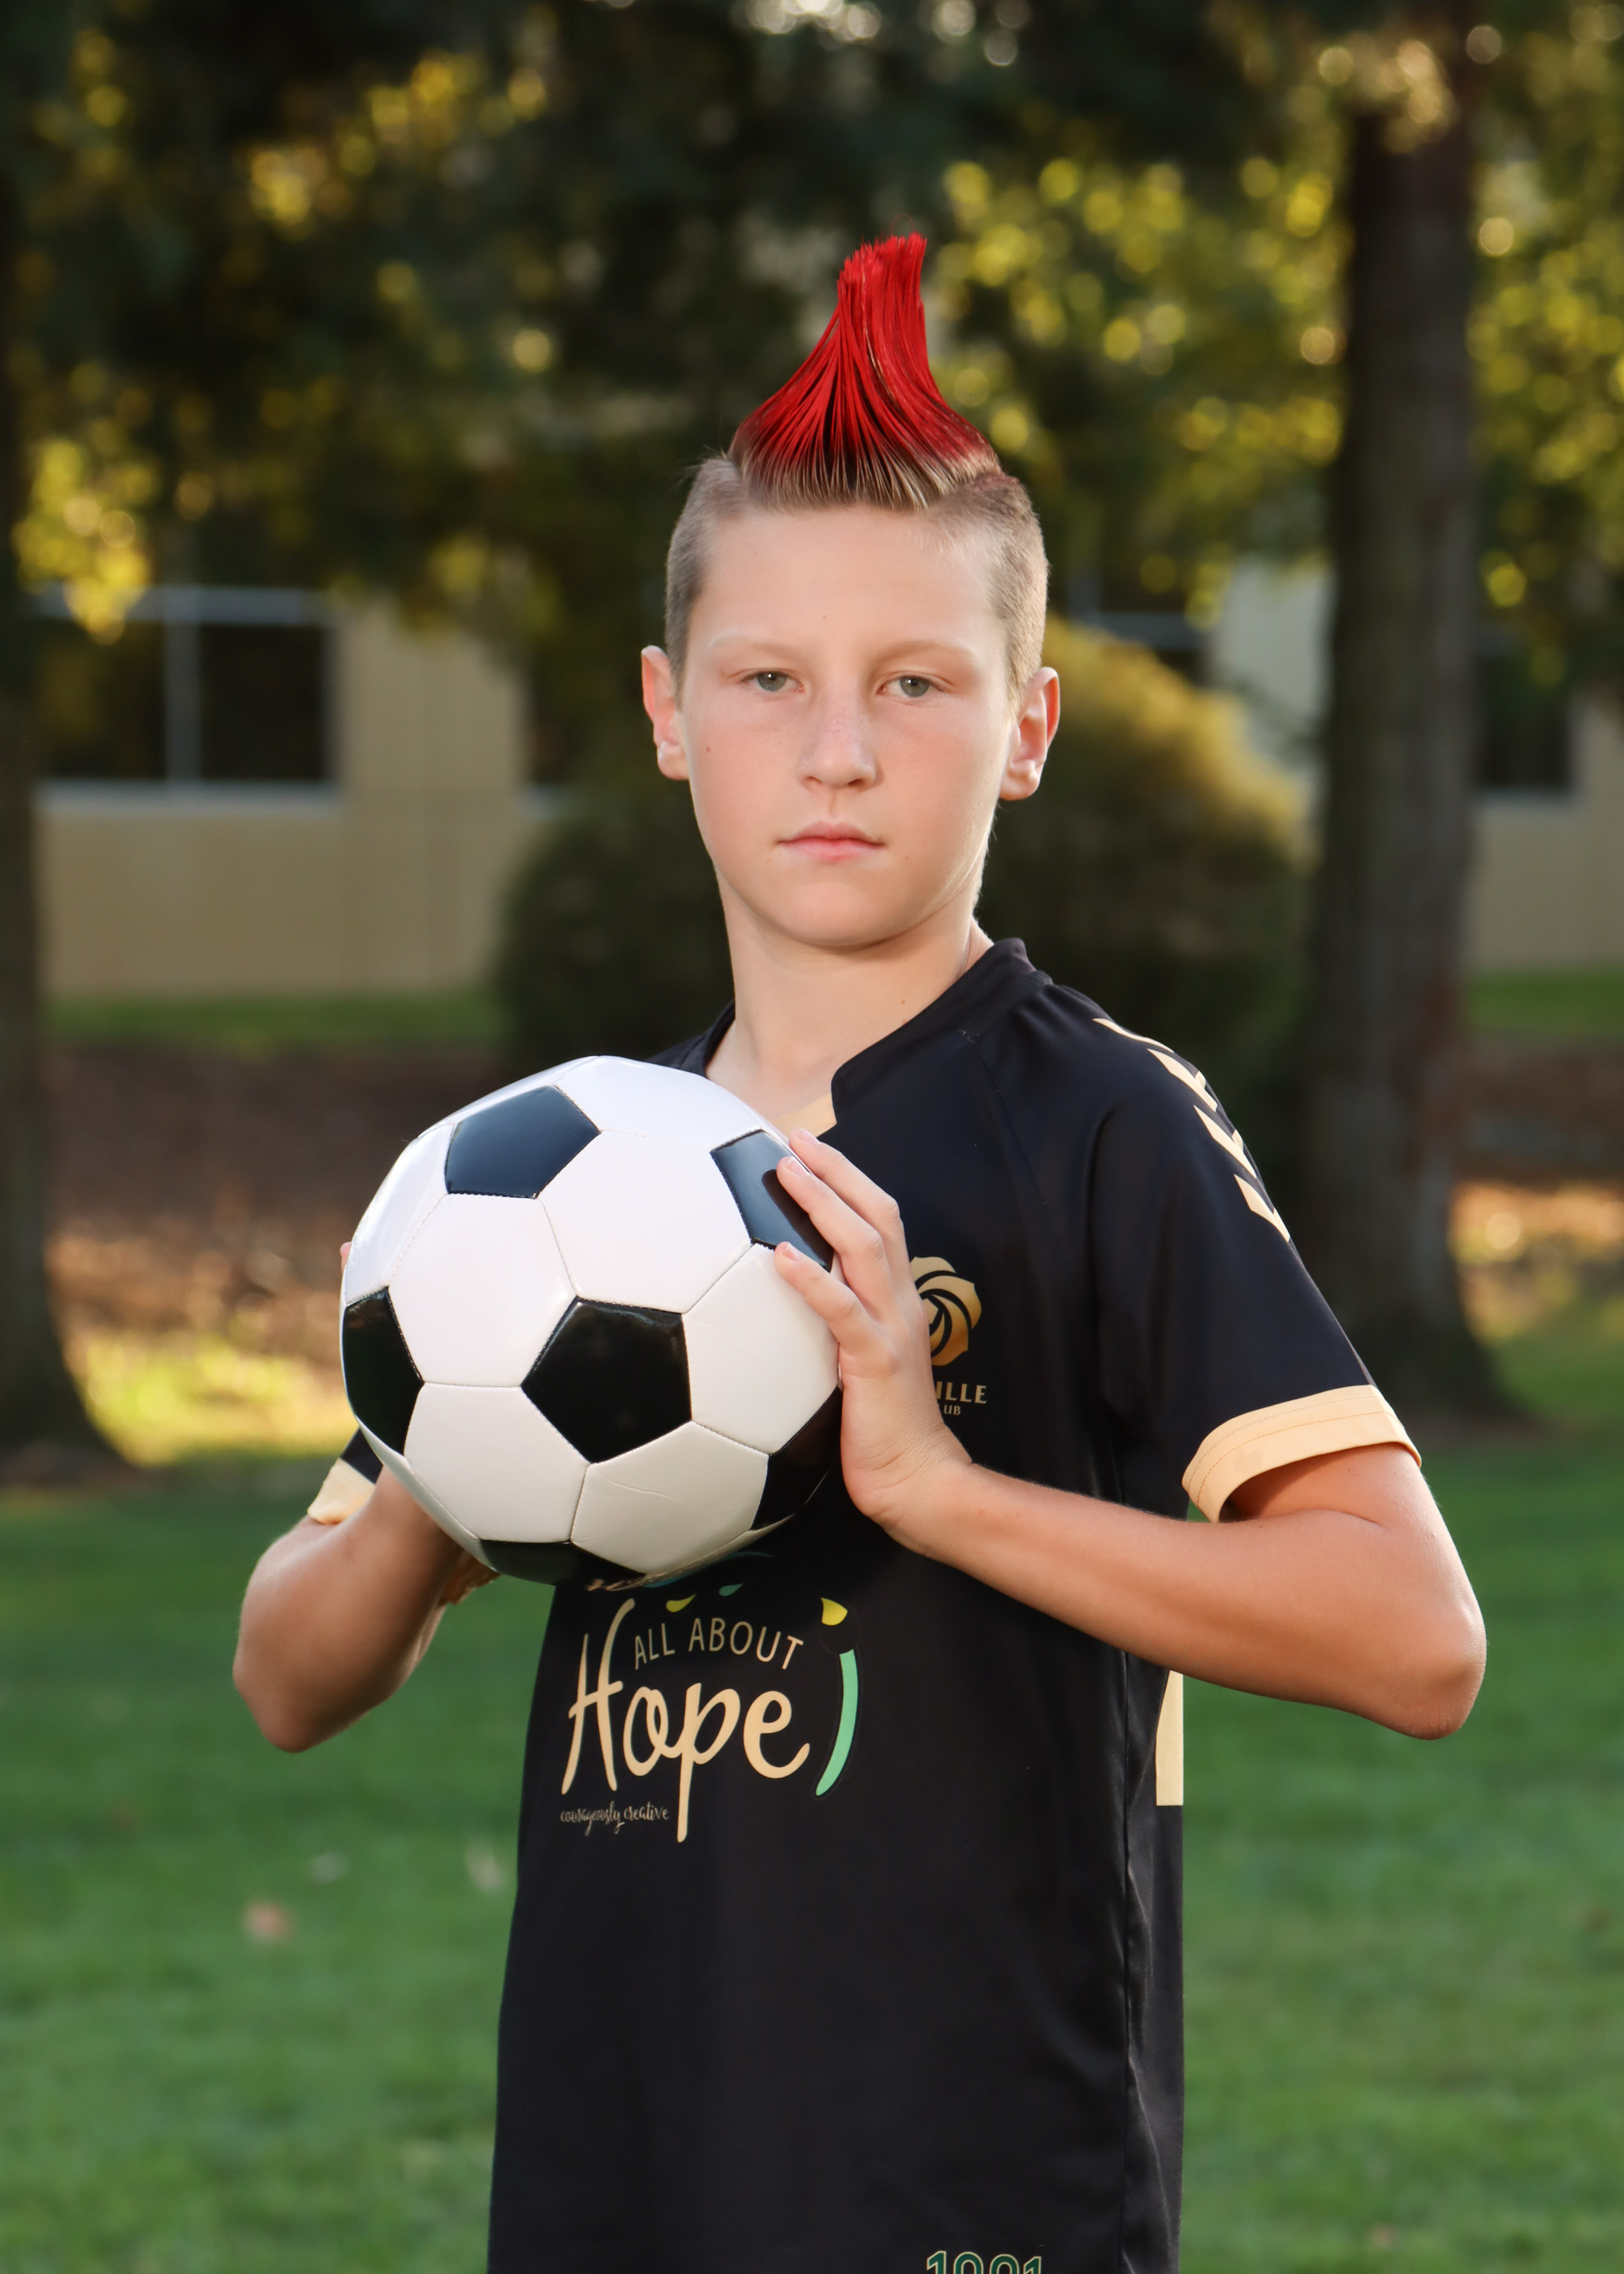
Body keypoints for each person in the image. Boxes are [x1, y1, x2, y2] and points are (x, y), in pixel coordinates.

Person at [235, 235, 1485, 2274]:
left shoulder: (1102, 1124)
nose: (838, 748)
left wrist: (936, 1485)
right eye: (768, 680)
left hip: (974, 2179)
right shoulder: (562, 1184)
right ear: (666, 712)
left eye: (915, 681)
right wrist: (449, 1461)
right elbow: (288, 1677)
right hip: (617, 2163)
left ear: (1027, 725)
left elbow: (1414, 1637)